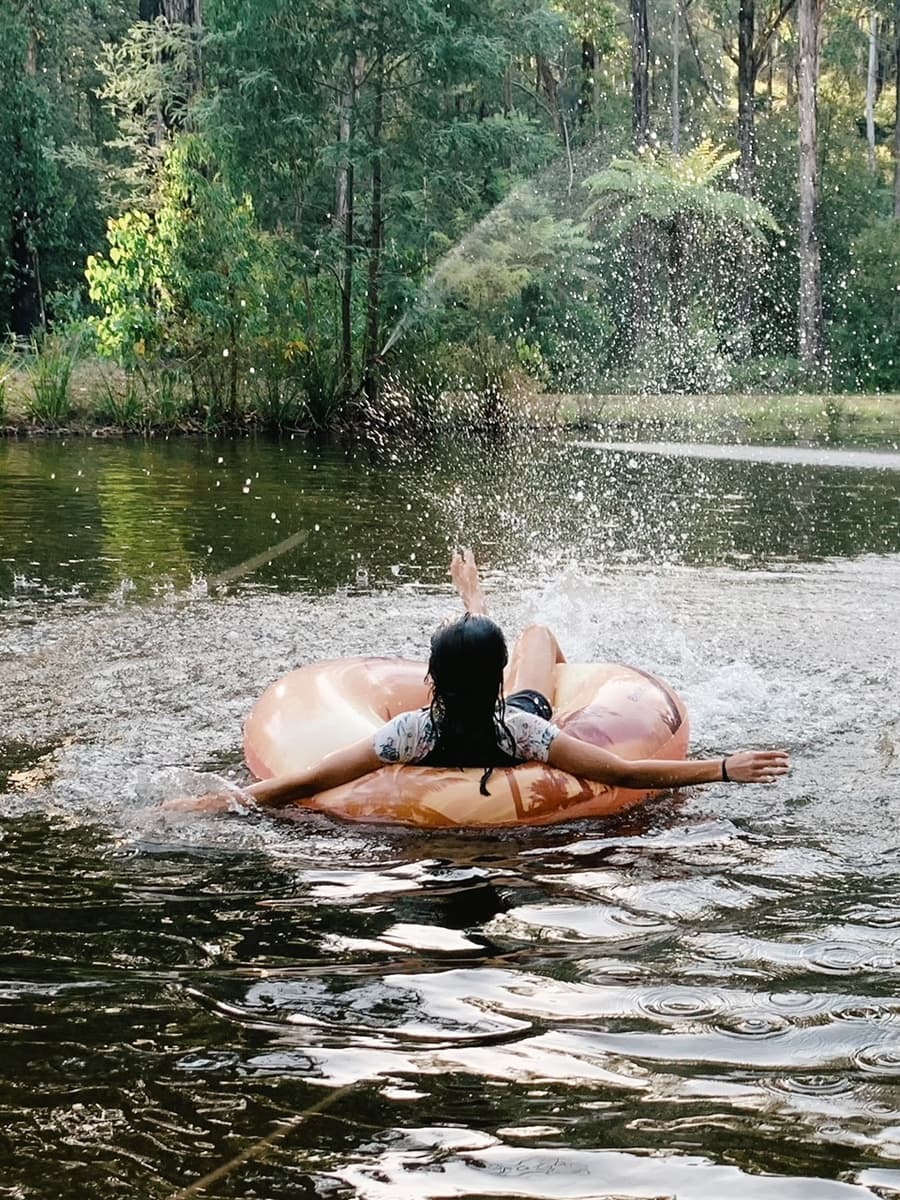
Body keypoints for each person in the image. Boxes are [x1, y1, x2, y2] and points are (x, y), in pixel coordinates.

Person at [167, 550, 789, 815]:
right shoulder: (526, 730)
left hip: (463, 713)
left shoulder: (409, 732)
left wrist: (214, 804)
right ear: (498, 682)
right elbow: (623, 774)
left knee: (512, 635)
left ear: (430, 679)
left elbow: (305, 780)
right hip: (504, 717)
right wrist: (723, 768)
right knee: (540, 636)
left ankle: (472, 599)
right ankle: (480, 605)